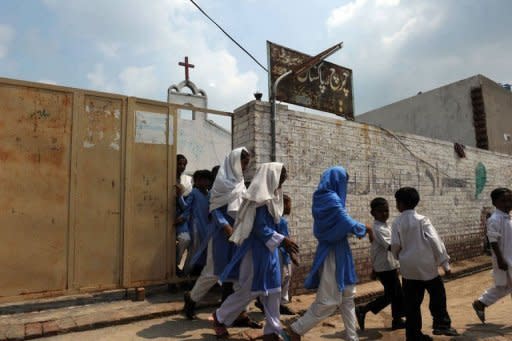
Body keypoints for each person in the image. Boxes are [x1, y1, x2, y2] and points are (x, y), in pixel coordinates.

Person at [212, 163, 299, 341]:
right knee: (249, 292)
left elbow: (275, 227)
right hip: (254, 253)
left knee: (274, 291)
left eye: (283, 179)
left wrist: (283, 243)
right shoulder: (258, 200)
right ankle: (220, 316)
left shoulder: (275, 198)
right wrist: (283, 240)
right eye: (280, 178)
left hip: (270, 252)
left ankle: (272, 331)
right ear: (271, 177)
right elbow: (259, 228)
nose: (282, 182)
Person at [288, 166, 371, 341]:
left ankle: (351, 336)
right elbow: (343, 220)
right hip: (332, 254)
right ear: (337, 180)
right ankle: (296, 329)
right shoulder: (327, 198)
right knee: (329, 300)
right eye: (344, 182)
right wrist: (364, 228)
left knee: (348, 295)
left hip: (341, 251)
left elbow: (339, 224)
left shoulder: (327, 198)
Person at [183, 148, 258, 329]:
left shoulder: (240, 183)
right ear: (234, 162)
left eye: (247, 163)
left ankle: (238, 313)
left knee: (239, 275)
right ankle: (191, 299)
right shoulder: (221, 183)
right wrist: (225, 226)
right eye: (243, 163)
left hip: (238, 234)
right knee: (213, 272)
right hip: (220, 236)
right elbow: (214, 208)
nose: (245, 167)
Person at [390, 187, 458, 340]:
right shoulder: (422, 220)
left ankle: (413, 335)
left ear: (400, 204)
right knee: (437, 295)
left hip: (408, 269)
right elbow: (436, 241)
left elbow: (395, 245)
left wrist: (397, 256)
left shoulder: (397, 222)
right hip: (427, 267)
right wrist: (445, 264)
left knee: (412, 304)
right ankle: (441, 324)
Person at [355, 197, 405, 331]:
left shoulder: (385, 226)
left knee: (396, 294)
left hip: (388, 265)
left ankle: (397, 320)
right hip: (385, 267)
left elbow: (376, 250)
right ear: (373, 213)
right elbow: (391, 247)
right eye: (380, 211)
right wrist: (409, 254)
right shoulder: (378, 228)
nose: (384, 214)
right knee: (394, 295)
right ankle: (363, 309)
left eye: (387, 211)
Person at [473, 188, 512, 323]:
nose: (508, 204)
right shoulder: (495, 219)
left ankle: (481, 303)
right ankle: (481, 303)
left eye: (510, 200)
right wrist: (501, 259)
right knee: (505, 286)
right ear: (495, 203)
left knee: (505, 286)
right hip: (504, 259)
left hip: (510, 258)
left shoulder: (508, 218)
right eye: (503, 201)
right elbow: (493, 240)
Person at [255, 194, 299, 315]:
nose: (290, 207)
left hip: (285, 253)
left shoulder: (282, 220)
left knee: (287, 277)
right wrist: (292, 255)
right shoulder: (278, 220)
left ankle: (280, 303)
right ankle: (269, 302)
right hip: (279, 252)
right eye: (288, 204)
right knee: (280, 278)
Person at [178, 169, 212, 275]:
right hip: (196, 226)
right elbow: (186, 207)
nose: (206, 183)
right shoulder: (194, 193)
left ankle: (195, 273)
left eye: (207, 180)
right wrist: (179, 196)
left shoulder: (210, 195)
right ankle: (186, 272)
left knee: (204, 251)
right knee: (194, 251)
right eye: (203, 180)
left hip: (206, 227)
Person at [174, 154, 193, 276]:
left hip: (181, 220)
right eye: (179, 164)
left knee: (185, 239)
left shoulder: (186, 181)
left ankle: (176, 267)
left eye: (184, 164)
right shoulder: (166, 177)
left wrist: (179, 195)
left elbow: (186, 206)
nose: (181, 166)